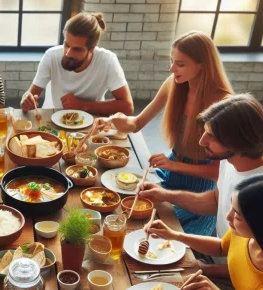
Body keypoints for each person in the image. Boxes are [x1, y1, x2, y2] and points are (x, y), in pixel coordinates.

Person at [137, 94, 263, 278]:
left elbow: (262, 270)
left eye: (211, 137)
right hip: (217, 250)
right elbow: (215, 200)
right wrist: (165, 195)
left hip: (236, 276)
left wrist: (204, 270)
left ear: (237, 141)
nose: (201, 142)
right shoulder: (232, 156)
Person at [99, 31, 233, 236]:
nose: (172, 69)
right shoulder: (174, 84)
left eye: (180, 64)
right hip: (171, 174)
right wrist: (114, 121)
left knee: (154, 230)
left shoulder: (223, 103)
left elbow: (217, 172)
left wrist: (173, 165)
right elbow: (136, 123)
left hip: (201, 189)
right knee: (125, 205)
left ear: (202, 65)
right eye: (171, 61)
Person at [21, 12, 133, 116]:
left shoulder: (107, 60)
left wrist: (81, 105)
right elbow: (30, 94)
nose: (68, 53)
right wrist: (26, 100)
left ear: (91, 49)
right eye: (66, 45)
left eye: (77, 49)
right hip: (52, 120)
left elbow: (128, 107)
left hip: (92, 122)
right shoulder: (51, 56)